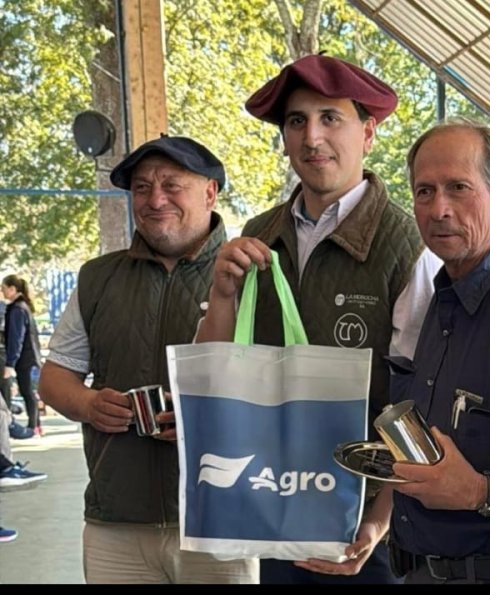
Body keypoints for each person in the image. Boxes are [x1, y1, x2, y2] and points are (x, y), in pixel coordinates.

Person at [196, 54, 439, 585]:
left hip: (363, 518)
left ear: (369, 133)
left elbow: (421, 397)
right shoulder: (258, 236)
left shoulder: (406, 245)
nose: (312, 138)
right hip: (272, 499)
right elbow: (214, 373)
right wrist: (221, 295)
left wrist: (380, 519)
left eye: (331, 118)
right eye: (296, 121)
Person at [320, 120, 490, 584]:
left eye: (458, 188)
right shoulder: (434, 296)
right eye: (424, 192)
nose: (438, 209)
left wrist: (483, 491)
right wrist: (377, 524)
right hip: (414, 570)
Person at [38, 135, 258, 584]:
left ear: (210, 192)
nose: (155, 199)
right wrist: (89, 405)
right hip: (116, 524)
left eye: (172, 185)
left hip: (223, 518)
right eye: (142, 187)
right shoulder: (98, 278)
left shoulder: (252, 274)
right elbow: (55, 376)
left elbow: (284, 391)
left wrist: (212, 416)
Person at [2, 275, 43, 435]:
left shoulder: (17, 309)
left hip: (24, 357)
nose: (2, 292)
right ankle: (36, 424)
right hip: (30, 355)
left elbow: (16, 337)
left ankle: (33, 426)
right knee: (28, 391)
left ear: (13, 289)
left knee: (27, 391)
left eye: (4, 288)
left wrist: (11, 363)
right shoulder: (23, 307)